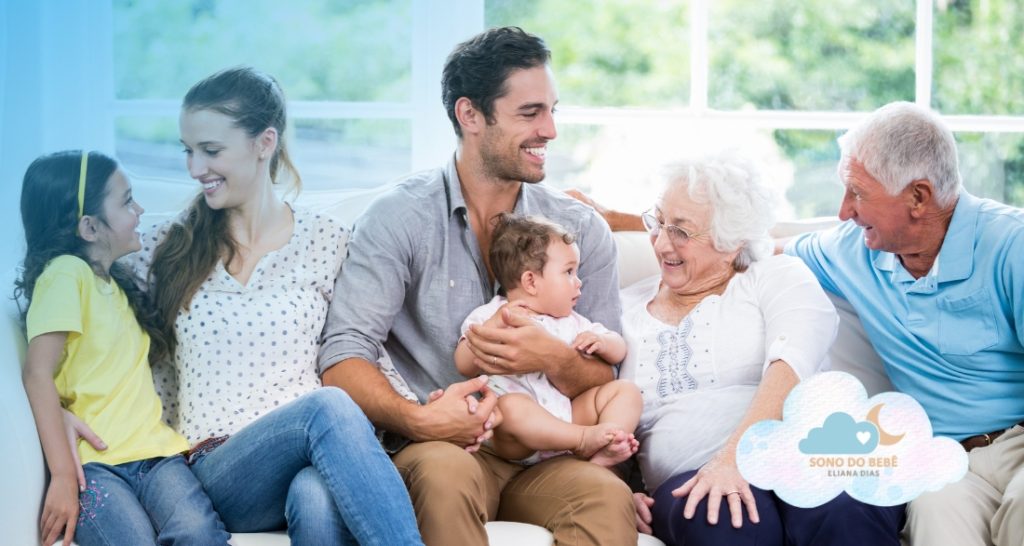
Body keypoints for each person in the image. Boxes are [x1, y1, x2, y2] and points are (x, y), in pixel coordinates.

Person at [63, 67, 423, 545]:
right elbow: (74, 294)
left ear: (264, 142)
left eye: (211, 151)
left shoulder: (326, 242)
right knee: (327, 408)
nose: (195, 168)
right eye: (188, 151)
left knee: (315, 494)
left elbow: (358, 342)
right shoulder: (164, 247)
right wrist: (56, 405)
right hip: (215, 471)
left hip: (311, 457)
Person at [319, 27, 636, 545]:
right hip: (442, 448)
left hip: (545, 453)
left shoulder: (579, 230)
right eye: (530, 113)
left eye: (553, 110)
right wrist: (420, 421)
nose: (551, 130)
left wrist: (550, 358)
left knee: (605, 497)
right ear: (470, 116)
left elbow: (606, 375)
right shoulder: (399, 217)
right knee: (444, 477)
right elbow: (342, 355)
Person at [622, 153, 906, 546]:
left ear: (730, 243)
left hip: (807, 449)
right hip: (693, 477)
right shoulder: (623, 311)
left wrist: (733, 457)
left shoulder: (775, 276)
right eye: (658, 221)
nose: (660, 242)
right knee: (721, 521)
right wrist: (615, 488)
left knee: (846, 506)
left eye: (681, 232)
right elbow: (597, 410)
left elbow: (793, 359)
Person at [781, 102, 1024, 546]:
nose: (843, 212)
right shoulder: (853, 249)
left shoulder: (1013, 246)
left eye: (857, 193)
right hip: (948, 459)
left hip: (1020, 445)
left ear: (918, 197)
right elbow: (750, 248)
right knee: (935, 516)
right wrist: (623, 223)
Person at [17, 150, 230, 546]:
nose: (140, 209)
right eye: (127, 200)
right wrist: (62, 476)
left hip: (158, 458)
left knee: (199, 533)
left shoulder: (116, 286)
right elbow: (37, 372)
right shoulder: (66, 274)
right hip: (94, 467)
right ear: (90, 227)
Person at [454, 213, 641, 467]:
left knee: (627, 390)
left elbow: (619, 350)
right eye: (569, 272)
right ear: (530, 281)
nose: (578, 282)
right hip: (519, 437)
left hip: (568, 416)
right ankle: (584, 439)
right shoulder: (491, 315)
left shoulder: (571, 320)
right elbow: (464, 364)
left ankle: (607, 450)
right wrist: (492, 327)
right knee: (511, 407)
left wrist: (602, 341)